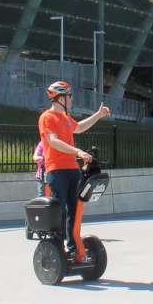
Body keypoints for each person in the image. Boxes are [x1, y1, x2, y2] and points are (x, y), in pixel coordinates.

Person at [38, 81, 111, 258]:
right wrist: (77, 151)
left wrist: (98, 115)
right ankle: (56, 248)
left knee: (74, 211)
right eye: (69, 96)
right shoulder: (47, 117)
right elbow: (53, 141)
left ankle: (72, 248)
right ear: (60, 97)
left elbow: (79, 127)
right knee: (59, 210)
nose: (71, 99)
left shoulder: (65, 117)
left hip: (72, 170)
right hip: (56, 170)